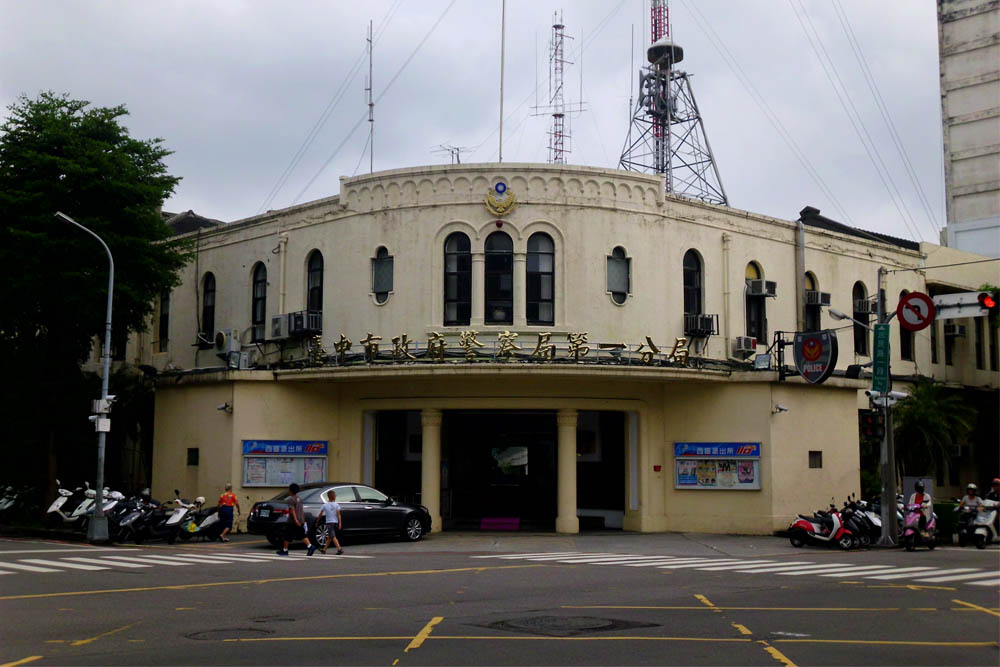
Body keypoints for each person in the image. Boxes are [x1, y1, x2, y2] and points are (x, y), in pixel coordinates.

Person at [277, 482, 315, 556]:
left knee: (287, 535)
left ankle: (285, 550)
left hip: (293, 521)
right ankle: (310, 546)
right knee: (301, 534)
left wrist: (295, 519)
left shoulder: (291, 500)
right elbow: (302, 510)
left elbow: (292, 510)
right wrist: (303, 520)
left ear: (290, 491)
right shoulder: (299, 499)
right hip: (300, 519)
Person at [316, 489, 345, 555]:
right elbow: (339, 515)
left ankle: (339, 549)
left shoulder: (325, 505)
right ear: (334, 496)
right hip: (335, 522)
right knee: (330, 537)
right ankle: (324, 550)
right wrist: (340, 523)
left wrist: (317, 521)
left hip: (329, 522)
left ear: (328, 497)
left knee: (333, 536)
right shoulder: (337, 505)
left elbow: (320, 514)